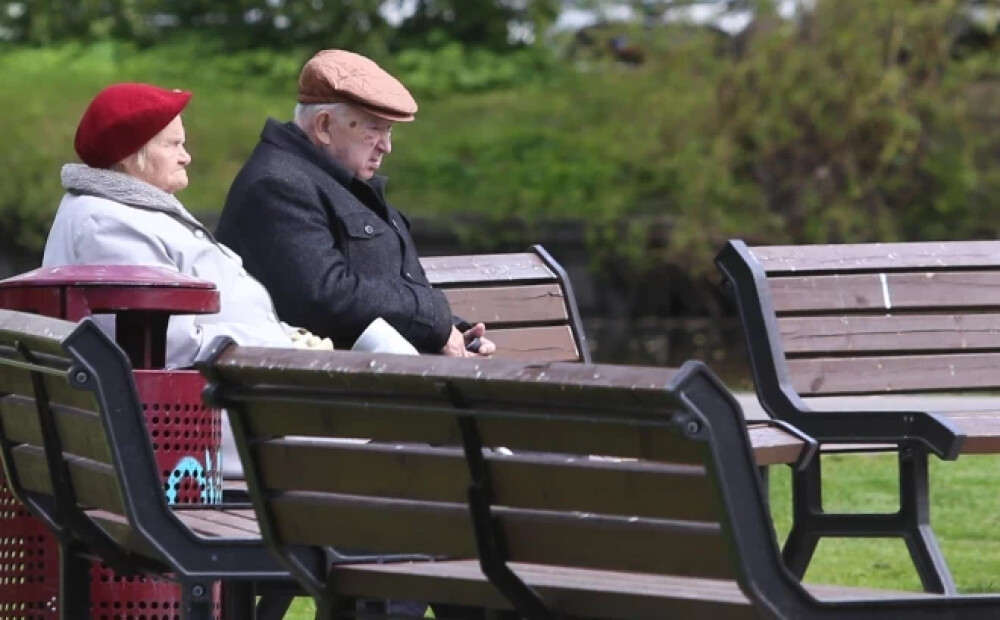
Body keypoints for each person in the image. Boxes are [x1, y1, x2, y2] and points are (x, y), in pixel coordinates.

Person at [43, 82, 336, 480]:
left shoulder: (127, 207)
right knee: (384, 433)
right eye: (173, 145)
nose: (187, 157)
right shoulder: (107, 224)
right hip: (199, 425)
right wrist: (277, 345)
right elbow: (163, 346)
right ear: (133, 155)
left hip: (220, 401)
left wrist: (285, 340)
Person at [216, 49, 495, 359]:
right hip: (327, 392)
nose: (386, 146)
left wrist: (454, 332)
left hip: (374, 378)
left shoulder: (333, 178)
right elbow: (324, 297)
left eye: (389, 130)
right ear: (323, 125)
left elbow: (387, 284)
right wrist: (434, 321)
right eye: (374, 128)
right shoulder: (277, 185)